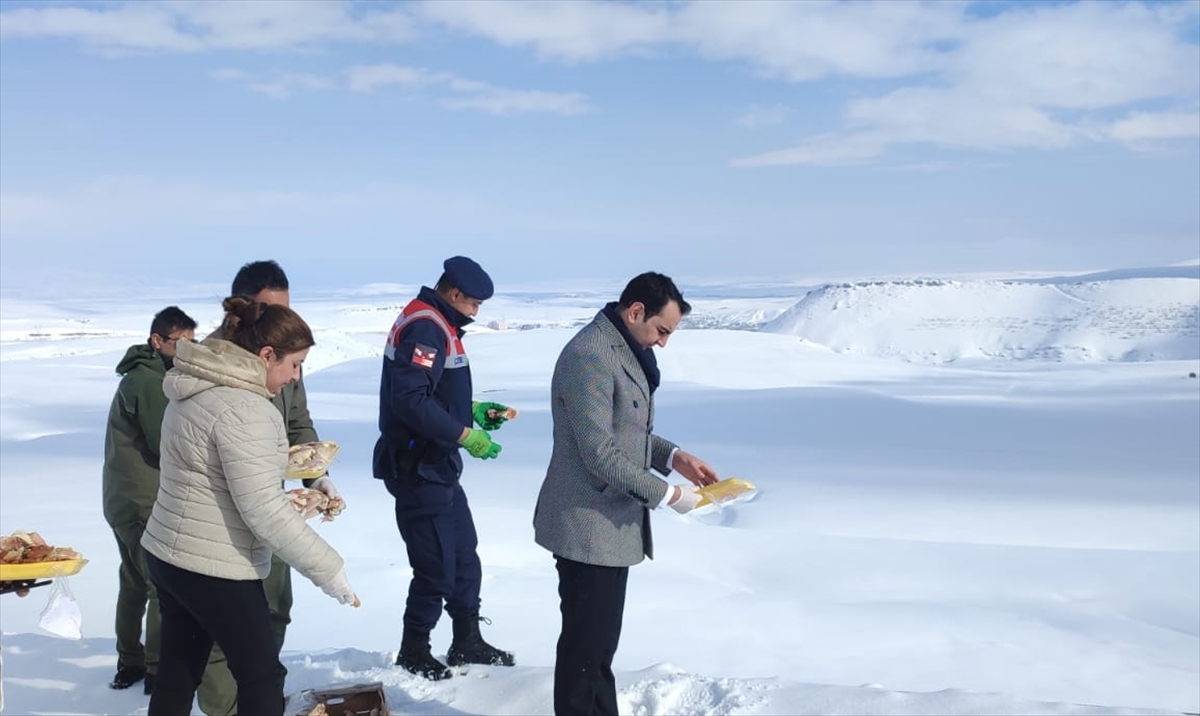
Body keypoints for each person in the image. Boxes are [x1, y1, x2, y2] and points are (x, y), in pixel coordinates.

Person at [141, 296, 358, 716]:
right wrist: (329, 570)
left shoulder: (196, 386)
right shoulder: (245, 409)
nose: (295, 377)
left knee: (179, 669)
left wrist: (303, 489)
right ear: (266, 355)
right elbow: (262, 510)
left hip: (170, 552)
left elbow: (212, 483)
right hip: (215, 565)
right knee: (261, 676)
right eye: (294, 364)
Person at [533, 271, 720, 716]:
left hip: (613, 529)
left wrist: (675, 457)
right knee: (583, 657)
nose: (663, 342)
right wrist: (669, 495)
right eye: (661, 330)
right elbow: (600, 452)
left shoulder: (623, 348)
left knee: (598, 654)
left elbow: (628, 432)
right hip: (586, 526)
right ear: (635, 311)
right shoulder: (590, 357)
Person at [197, 260, 344, 716]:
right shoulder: (209, 361)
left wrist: (314, 472)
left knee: (274, 608)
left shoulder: (282, 356)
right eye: (268, 311)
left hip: (272, 504)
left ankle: (258, 700)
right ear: (241, 310)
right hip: (220, 516)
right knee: (223, 630)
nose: (280, 325)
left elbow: (297, 422)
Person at [373, 256, 515, 680]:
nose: (475, 314)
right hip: (418, 466)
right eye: (474, 305)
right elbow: (410, 401)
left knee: (463, 555)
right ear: (454, 294)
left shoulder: (439, 323)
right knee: (435, 565)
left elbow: (432, 392)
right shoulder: (426, 327)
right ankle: (414, 647)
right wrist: (464, 435)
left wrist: (471, 412)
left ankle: (466, 639)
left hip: (439, 464)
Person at [102, 306, 197, 695]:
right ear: (157, 341)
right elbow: (167, 443)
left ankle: (129, 661)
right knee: (162, 586)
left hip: (124, 499)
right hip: (143, 501)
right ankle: (158, 671)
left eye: (195, 342)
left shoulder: (153, 375)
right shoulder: (147, 380)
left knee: (134, 581)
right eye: (181, 343)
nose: (189, 351)